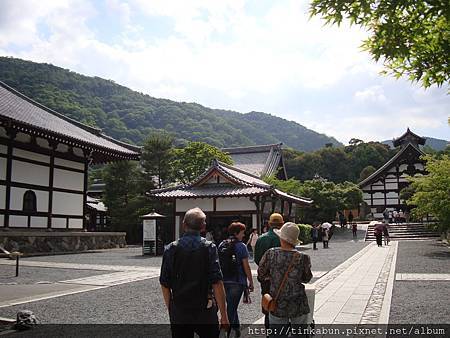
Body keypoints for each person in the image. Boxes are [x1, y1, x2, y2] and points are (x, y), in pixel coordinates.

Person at [160, 207, 229, 338]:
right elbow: (217, 282)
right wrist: (224, 316)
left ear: (184, 224)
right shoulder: (209, 247)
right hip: (205, 308)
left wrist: (171, 308)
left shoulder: (171, 248)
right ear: (203, 226)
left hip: (180, 309)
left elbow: (164, 283)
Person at [257, 222, 313, 338]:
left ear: (281, 238)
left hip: (277, 302)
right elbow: (307, 279)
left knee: (277, 334)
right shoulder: (303, 257)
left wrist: (272, 277)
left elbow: (261, 275)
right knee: (300, 334)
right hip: (298, 302)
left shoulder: (271, 254)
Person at [219, 222, 254, 337]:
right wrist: (251, 281)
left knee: (231, 305)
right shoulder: (241, 246)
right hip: (237, 281)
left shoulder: (222, 244)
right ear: (236, 233)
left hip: (223, 280)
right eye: (242, 233)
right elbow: (246, 266)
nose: (244, 235)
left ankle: (237, 328)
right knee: (231, 308)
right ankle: (227, 332)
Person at [254, 213, 284, 331]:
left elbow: (257, 259)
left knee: (268, 302)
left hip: (266, 278)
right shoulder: (285, 238)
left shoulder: (262, 238)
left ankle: (268, 329)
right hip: (283, 277)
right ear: (282, 224)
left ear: (269, 224)